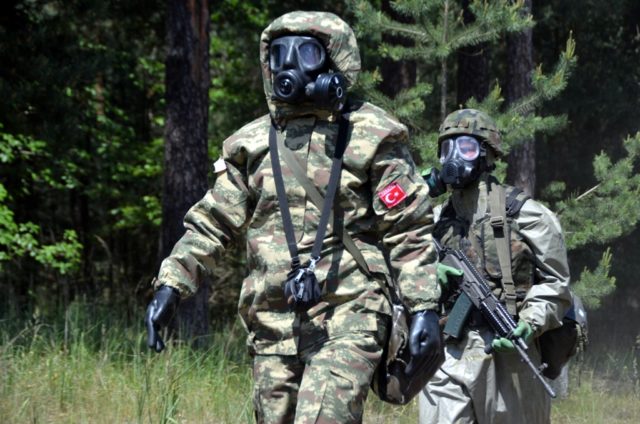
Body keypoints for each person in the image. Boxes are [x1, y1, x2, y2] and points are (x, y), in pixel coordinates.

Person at [145, 11, 442, 424]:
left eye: (305, 53)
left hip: (350, 312)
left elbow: (407, 228)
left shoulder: (374, 135)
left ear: (335, 62)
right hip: (272, 321)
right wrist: (171, 285)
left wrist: (423, 305)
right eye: (279, 54)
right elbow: (213, 220)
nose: (289, 65)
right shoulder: (250, 144)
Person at [418, 109, 572, 424]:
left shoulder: (528, 216)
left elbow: (557, 285)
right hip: (450, 351)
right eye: (447, 149)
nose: (454, 158)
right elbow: (388, 254)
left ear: (487, 155)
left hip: (510, 353)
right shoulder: (430, 222)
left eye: (467, 148)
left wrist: (530, 320)